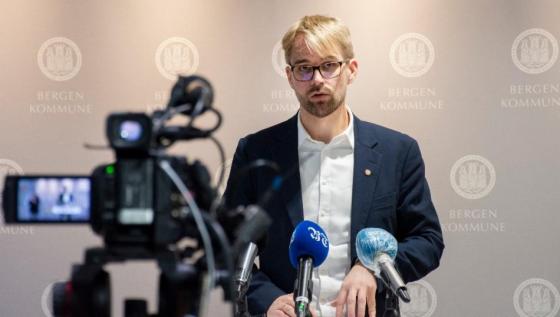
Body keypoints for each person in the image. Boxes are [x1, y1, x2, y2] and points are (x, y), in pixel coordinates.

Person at [224, 15, 444, 317]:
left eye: (329, 65)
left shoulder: (397, 151)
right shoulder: (256, 153)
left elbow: (427, 241)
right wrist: (267, 300)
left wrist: (373, 269)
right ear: (289, 76)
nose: (317, 80)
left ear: (351, 70)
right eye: (304, 68)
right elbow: (228, 247)